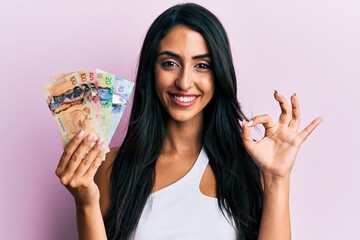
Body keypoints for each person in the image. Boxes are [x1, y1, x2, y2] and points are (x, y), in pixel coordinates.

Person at [55, 3, 322, 240]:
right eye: (170, 63)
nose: (184, 82)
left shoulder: (251, 167)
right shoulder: (112, 167)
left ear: (220, 74)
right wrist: (85, 203)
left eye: (202, 65)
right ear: (152, 71)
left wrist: (277, 179)